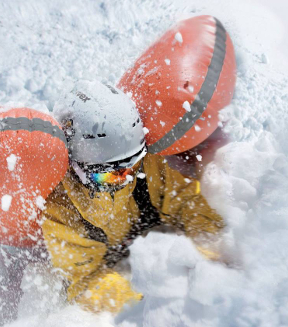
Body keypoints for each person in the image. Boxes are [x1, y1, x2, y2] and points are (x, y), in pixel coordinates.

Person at [41, 80, 225, 313]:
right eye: (110, 176)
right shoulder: (60, 209)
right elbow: (86, 281)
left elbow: (189, 203)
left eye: (131, 166)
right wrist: (146, 304)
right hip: (121, 279)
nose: (125, 178)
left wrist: (211, 254)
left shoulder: (145, 162)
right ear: (77, 168)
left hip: (157, 251)